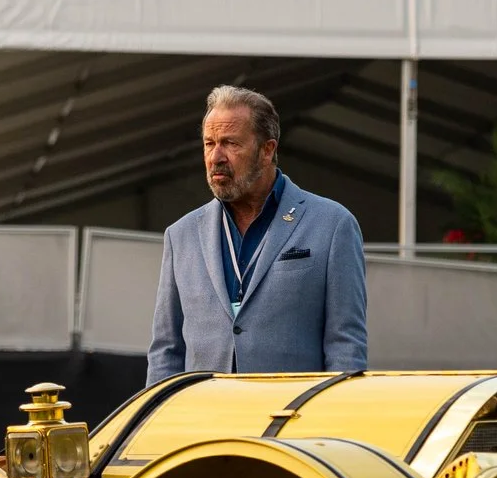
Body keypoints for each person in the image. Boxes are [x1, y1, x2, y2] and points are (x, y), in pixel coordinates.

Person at [146, 86, 366, 383]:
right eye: (209, 144)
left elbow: (346, 348)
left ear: (267, 150)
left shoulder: (333, 225)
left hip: (292, 422)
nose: (216, 157)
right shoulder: (180, 235)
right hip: (206, 424)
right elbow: (166, 352)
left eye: (230, 143)